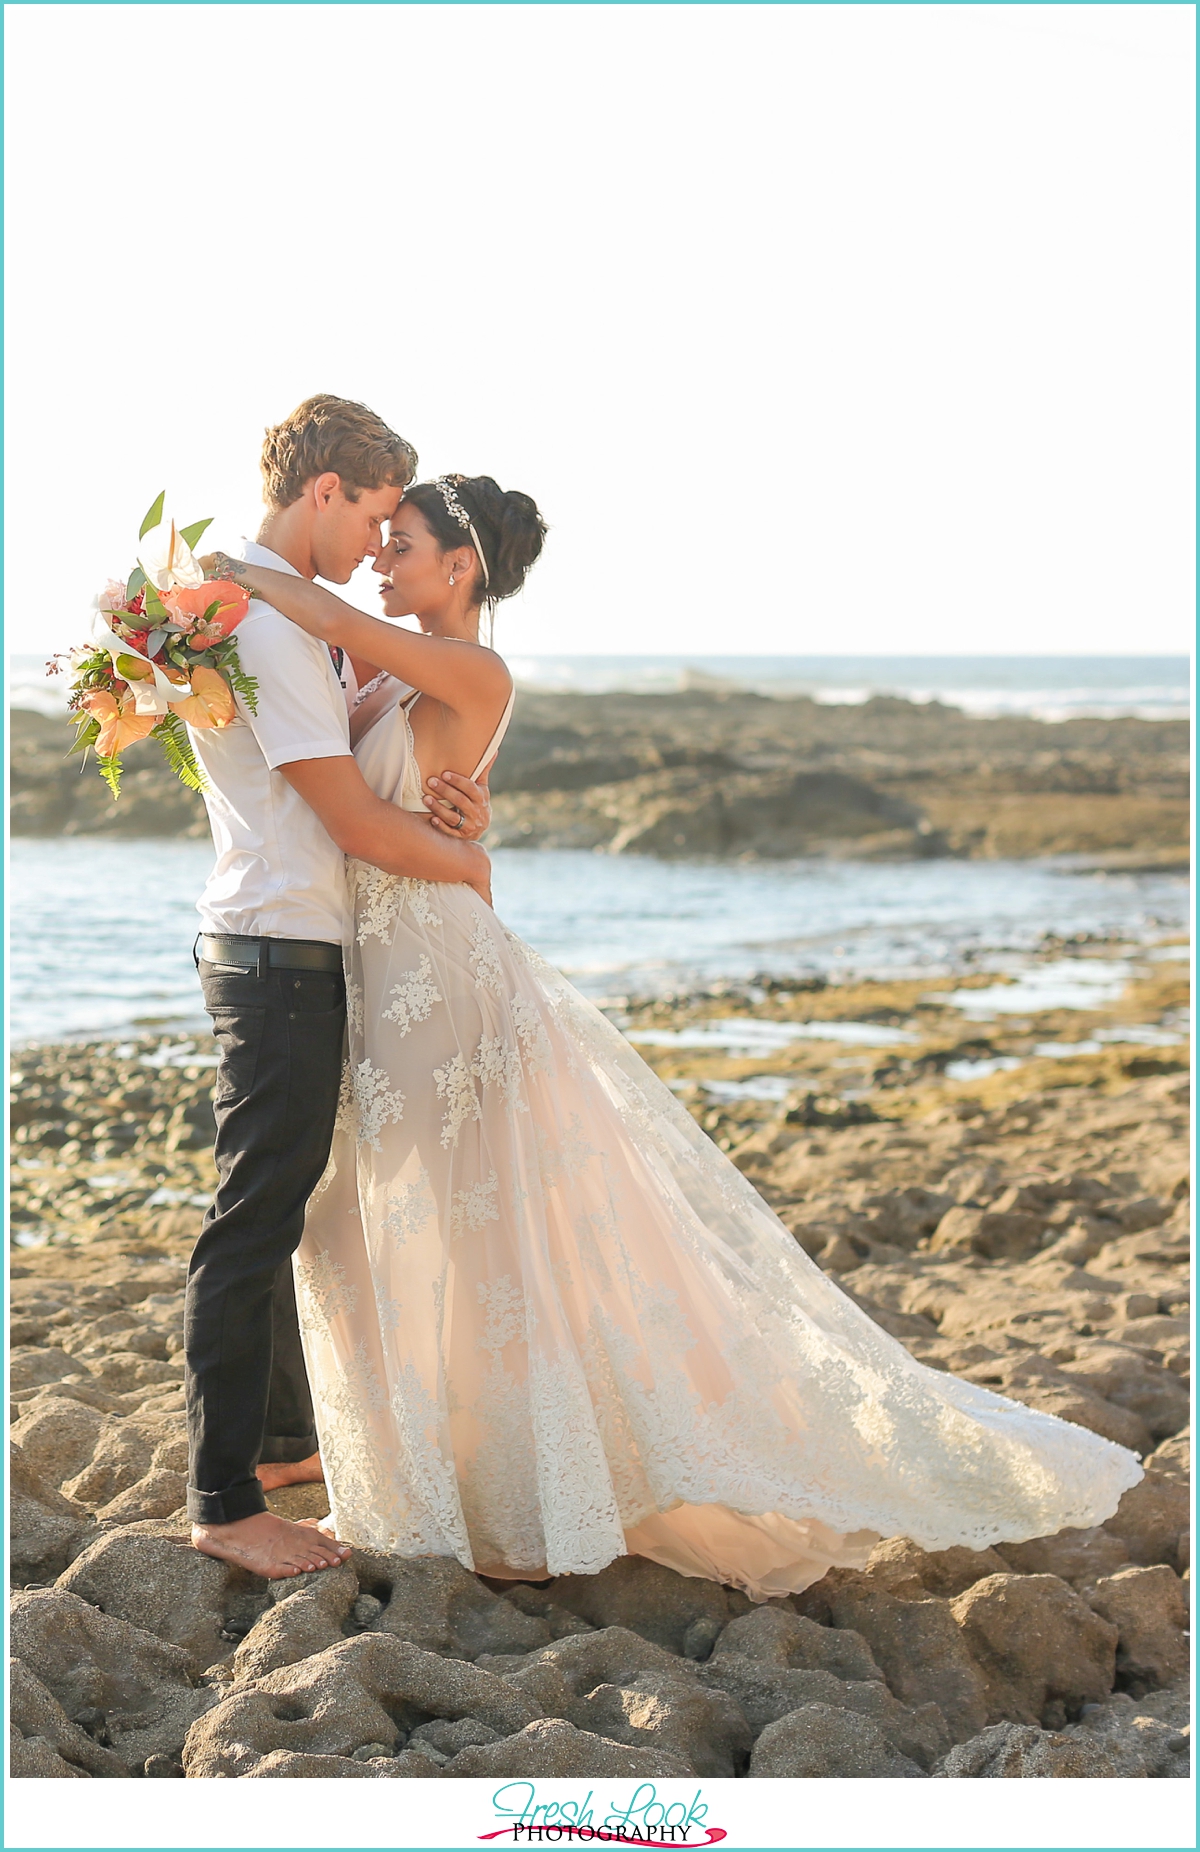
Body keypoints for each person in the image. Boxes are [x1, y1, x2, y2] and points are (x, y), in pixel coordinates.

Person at [222, 475, 1143, 1600]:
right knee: (372, 1225)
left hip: (437, 976)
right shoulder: (399, 667)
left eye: (400, 543)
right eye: (379, 540)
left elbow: (332, 627)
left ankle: (501, 1502)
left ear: (460, 567)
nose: (378, 559)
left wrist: (212, 583)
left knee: (448, 1235)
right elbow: (344, 727)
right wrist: (456, 831)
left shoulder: (473, 666)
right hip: (388, 971)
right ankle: (428, 1478)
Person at [184, 398, 495, 1582]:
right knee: (258, 1214)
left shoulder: (272, 615)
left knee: (285, 1202)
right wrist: (466, 860)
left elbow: (405, 747)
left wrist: (455, 807)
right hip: (279, 950)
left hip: (286, 938)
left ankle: (270, 1454)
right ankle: (225, 1501)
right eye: (371, 512)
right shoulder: (263, 627)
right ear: (326, 491)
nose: (376, 541)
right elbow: (353, 820)